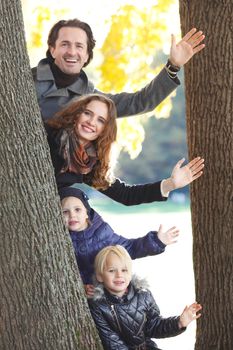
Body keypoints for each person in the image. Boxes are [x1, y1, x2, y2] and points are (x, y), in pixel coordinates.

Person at [32, 18, 205, 121]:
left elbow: (138, 102)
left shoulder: (89, 97)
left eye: (79, 46)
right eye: (64, 44)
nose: (72, 52)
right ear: (52, 49)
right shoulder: (27, 79)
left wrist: (173, 66)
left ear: (86, 55)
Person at [46, 93, 205, 204]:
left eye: (101, 120)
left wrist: (171, 184)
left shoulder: (88, 164)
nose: (91, 122)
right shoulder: (49, 134)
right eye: (87, 113)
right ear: (76, 114)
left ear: (105, 129)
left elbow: (126, 195)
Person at [59, 186, 180, 297]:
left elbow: (130, 248)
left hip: (109, 292)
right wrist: (79, 287)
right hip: (84, 294)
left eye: (77, 210)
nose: (72, 215)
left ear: (87, 212)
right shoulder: (60, 239)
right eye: (65, 212)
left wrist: (157, 241)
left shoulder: (102, 232)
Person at [89, 245, 202, 349]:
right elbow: (112, 342)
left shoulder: (143, 295)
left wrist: (179, 323)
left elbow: (154, 326)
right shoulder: (99, 306)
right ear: (100, 276)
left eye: (124, 270)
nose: (119, 275)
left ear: (130, 273)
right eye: (112, 270)